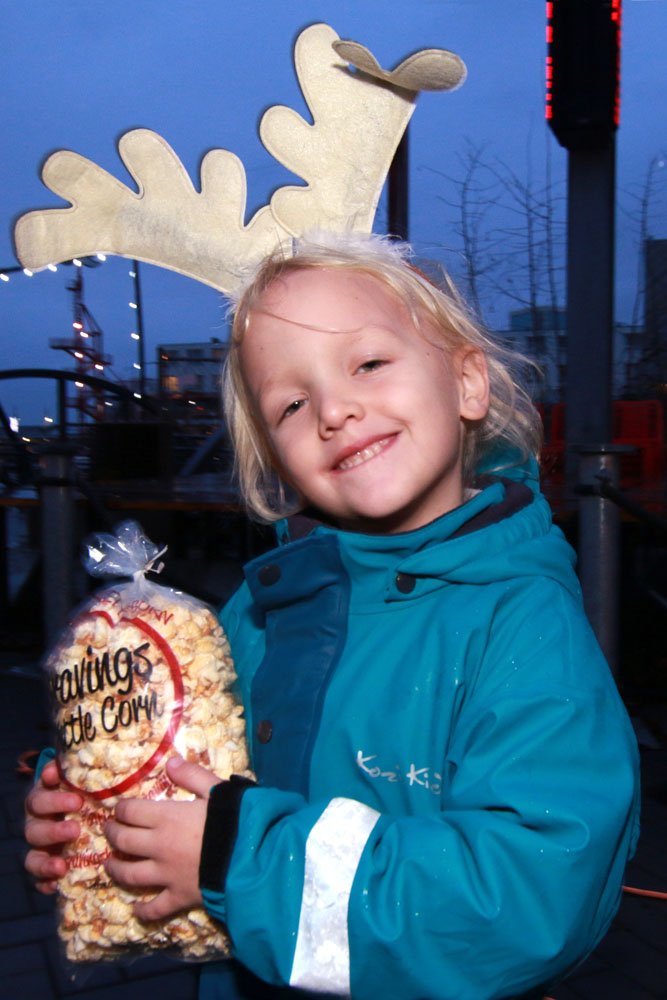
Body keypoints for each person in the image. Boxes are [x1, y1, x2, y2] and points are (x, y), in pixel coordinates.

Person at [25, 232, 640, 1000]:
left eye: (369, 363)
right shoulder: (261, 608)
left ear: (467, 382)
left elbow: (530, 902)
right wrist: (109, 820)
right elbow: (205, 789)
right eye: (291, 402)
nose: (334, 410)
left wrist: (235, 858)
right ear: (274, 458)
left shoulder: (522, 626)